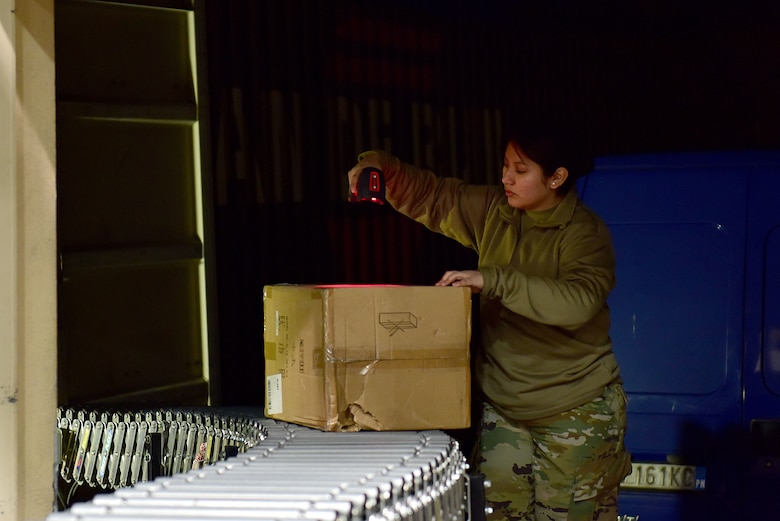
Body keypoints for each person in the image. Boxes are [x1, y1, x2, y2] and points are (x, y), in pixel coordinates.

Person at [346, 126, 632, 521]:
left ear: (556, 178)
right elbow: (434, 196)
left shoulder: (584, 233)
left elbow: (578, 302)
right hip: (505, 409)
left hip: (574, 410)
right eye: (504, 166)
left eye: (520, 169)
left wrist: (492, 279)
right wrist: (383, 168)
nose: (505, 178)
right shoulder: (496, 210)